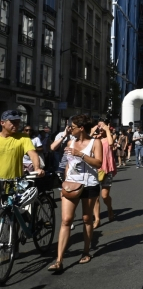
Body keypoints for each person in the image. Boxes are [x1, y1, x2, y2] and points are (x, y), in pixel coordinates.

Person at [48, 114, 103, 271]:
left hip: (89, 184)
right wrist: (63, 186)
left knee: (86, 218)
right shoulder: (70, 141)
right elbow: (66, 164)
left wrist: (81, 154)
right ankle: (59, 260)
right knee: (66, 220)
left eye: (72, 127)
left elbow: (98, 163)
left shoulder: (95, 142)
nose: (69, 129)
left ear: (81, 128)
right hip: (71, 184)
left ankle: (86, 251)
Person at [0, 110, 45, 180]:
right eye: (13, 122)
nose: (16, 125)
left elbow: (33, 154)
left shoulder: (23, 137)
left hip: (15, 182)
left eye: (18, 123)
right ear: (2, 123)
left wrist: (37, 168)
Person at [92, 120, 117, 227]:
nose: (100, 128)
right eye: (99, 126)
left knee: (104, 195)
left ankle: (109, 208)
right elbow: (84, 142)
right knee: (95, 197)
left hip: (107, 169)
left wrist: (107, 129)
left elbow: (111, 143)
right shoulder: (93, 139)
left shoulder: (109, 137)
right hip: (95, 170)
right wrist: (92, 131)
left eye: (102, 125)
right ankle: (97, 219)